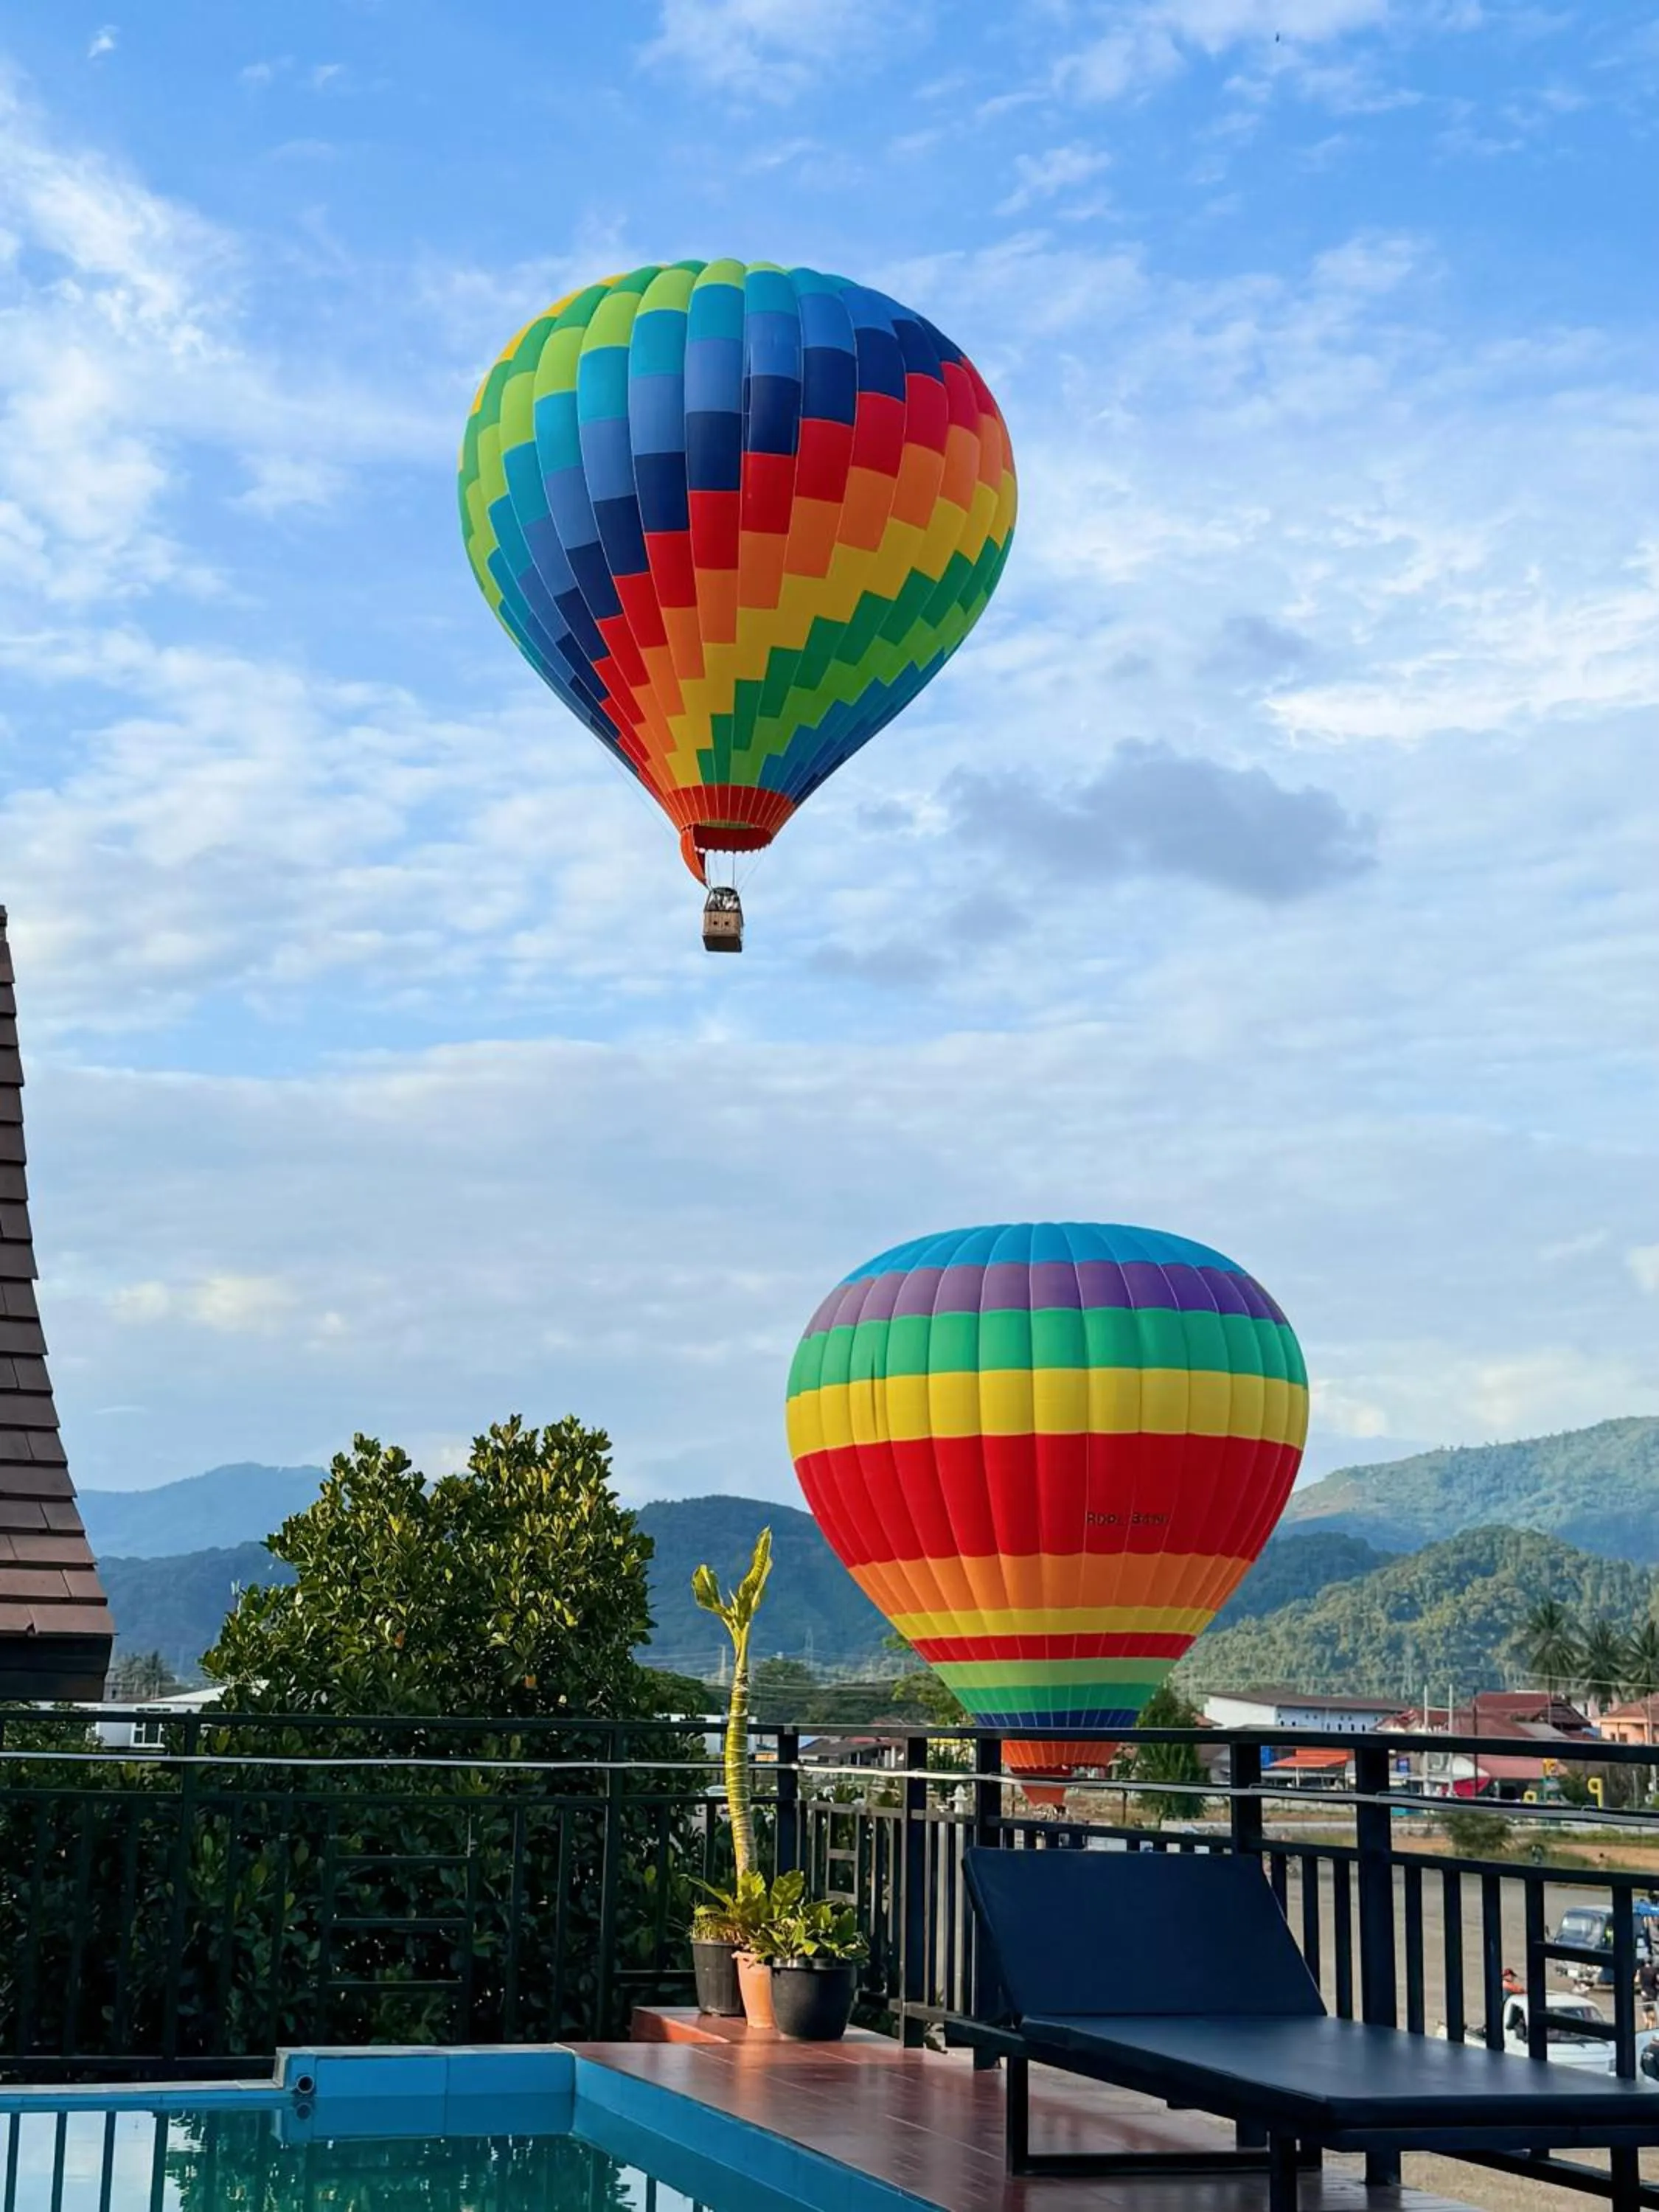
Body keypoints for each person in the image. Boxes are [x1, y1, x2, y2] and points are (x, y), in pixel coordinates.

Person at [1636, 1957, 1659, 2031]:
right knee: (1652, 2009)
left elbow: (1636, 1980)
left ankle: (1646, 2021)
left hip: (1644, 1992)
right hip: (1653, 1992)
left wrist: (1641, 1983)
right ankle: (1651, 2027)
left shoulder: (1640, 1970)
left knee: (1645, 2009)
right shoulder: (1655, 1970)